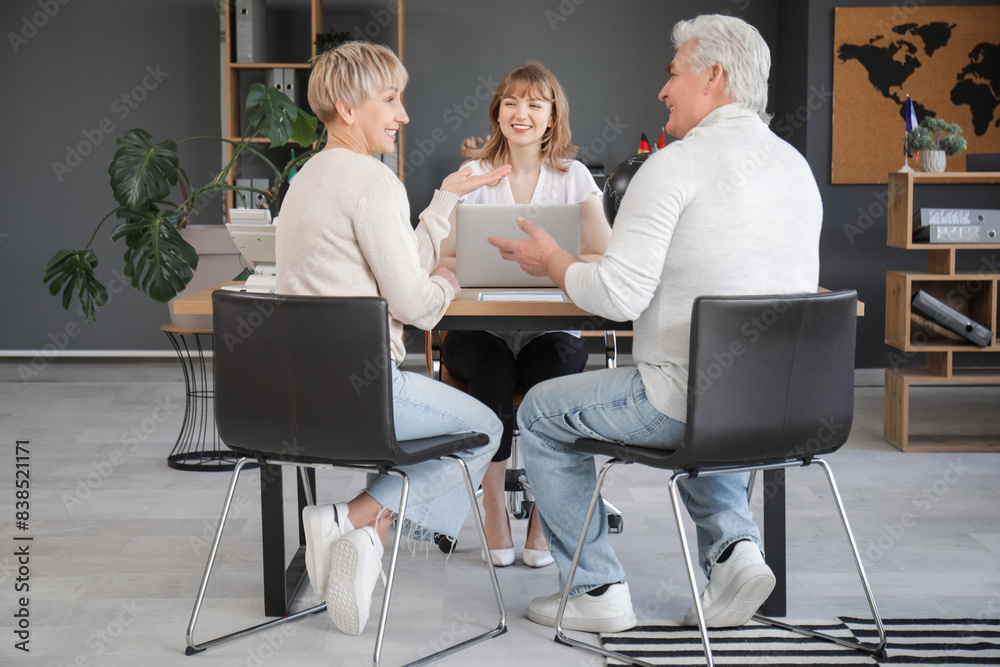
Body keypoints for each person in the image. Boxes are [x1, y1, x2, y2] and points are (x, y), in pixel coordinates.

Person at [488, 15, 822, 633]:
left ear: (713, 76)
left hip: (680, 399)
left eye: (673, 74)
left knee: (537, 412)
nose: (663, 91)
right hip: (781, 403)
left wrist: (552, 260)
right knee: (713, 400)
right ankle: (735, 553)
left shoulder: (671, 166)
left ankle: (596, 589)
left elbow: (617, 296)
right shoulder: (794, 167)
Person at [275, 41, 508, 636]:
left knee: (464, 431)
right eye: (391, 99)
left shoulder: (306, 178)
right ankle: (354, 518)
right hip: (366, 395)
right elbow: (418, 307)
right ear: (348, 108)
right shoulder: (373, 182)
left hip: (298, 397)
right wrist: (448, 282)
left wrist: (446, 198)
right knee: (486, 430)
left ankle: (364, 535)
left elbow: (398, 262)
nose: (403, 114)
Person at [435, 62, 612, 568]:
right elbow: (440, 256)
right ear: (498, 112)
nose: (522, 113)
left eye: (535, 104)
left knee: (552, 366)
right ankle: (494, 507)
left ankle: (541, 512)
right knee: (492, 366)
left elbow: (605, 254)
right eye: (511, 102)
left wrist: (552, 262)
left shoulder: (574, 177)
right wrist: (479, 265)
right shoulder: (471, 175)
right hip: (478, 329)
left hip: (549, 329)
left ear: (552, 116)